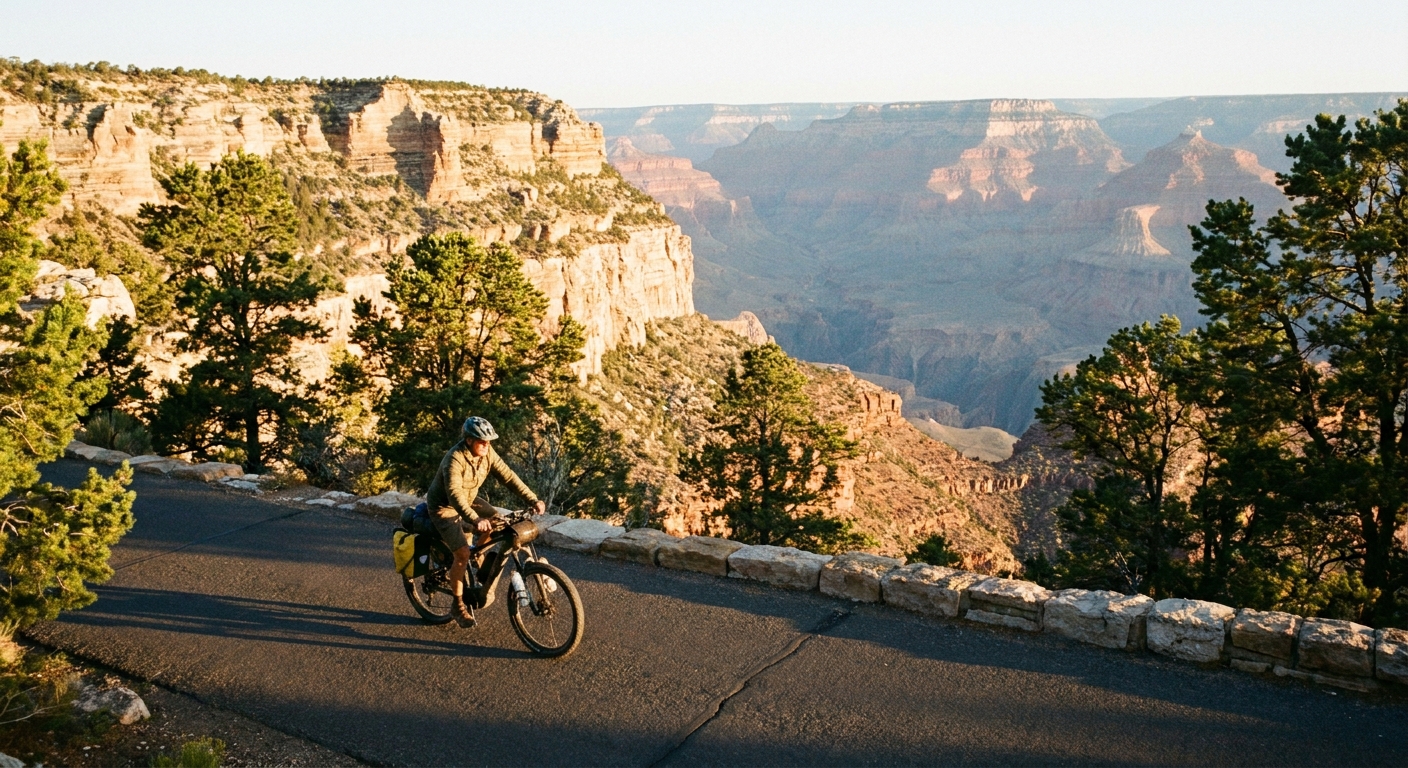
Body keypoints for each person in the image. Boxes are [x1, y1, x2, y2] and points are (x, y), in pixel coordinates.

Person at [425, 416, 546, 627]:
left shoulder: (487, 452)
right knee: (461, 553)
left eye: (489, 441)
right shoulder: (454, 459)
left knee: (498, 522)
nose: (487, 445)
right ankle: (457, 604)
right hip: (444, 508)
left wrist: (532, 499)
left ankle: (478, 556)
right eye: (482, 441)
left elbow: (508, 477)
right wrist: (474, 519)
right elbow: (454, 495)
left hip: (470, 499)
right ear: (469, 440)